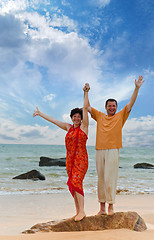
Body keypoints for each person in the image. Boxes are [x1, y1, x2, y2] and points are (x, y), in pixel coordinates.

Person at [85, 75, 144, 215]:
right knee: (101, 179)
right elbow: (87, 107)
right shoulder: (100, 115)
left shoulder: (120, 115)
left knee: (110, 178)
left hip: (113, 149)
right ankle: (102, 208)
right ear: (105, 107)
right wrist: (86, 92)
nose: (111, 108)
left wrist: (136, 88)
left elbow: (131, 103)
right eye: (109, 106)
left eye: (114, 106)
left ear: (116, 107)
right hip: (99, 150)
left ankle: (111, 206)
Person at [33, 83, 90, 221]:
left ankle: (82, 211)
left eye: (78, 116)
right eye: (74, 116)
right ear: (71, 117)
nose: (76, 118)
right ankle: (78, 212)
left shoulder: (84, 127)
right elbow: (54, 121)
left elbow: (85, 109)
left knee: (77, 182)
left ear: (81, 118)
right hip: (70, 161)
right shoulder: (68, 127)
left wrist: (86, 93)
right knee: (72, 184)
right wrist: (40, 114)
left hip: (81, 160)